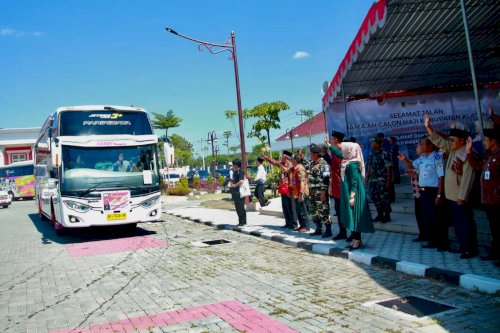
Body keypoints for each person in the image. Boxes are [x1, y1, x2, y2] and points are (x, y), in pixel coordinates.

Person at [425, 114, 477, 259]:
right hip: (452, 196)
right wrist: (428, 127)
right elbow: (439, 141)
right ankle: (463, 246)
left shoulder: (467, 153)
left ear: (461, 141)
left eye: (453, 140)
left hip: (460, 197)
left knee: (465, 223)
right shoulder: (453, 149)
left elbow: (468, 177)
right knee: (458, 224)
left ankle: (469, 248)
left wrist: (462, 196)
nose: (450, 142)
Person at [399, 138, 446, 251]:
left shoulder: (437, 157)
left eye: (423, 144)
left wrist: (439, 195)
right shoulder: (422, 158)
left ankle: (442, 243)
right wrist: (404, 159)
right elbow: (412, 165)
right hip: (423, 191)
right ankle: (432, 240)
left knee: (436, 218)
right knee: (427, 217)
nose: (421, 146)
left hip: (433, 191)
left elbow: (441, 177)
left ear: (431, 145)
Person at [329, 142, 373, 249]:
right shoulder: (347, 161)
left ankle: (357, 240)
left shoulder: (352, 165)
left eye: (344, 149)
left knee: (355, 217)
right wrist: (329, 145)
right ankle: (354, 239)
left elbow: (354, 182)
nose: (342, 151)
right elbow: (339, 154)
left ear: (349, 151)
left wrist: (352, 197)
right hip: (351, 193)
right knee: (352, 217)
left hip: (355, 194)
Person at [466, 126, 500, 267]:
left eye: (486, 140)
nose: (484, 142)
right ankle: (496, 253)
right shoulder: (489, 155)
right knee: (495, 229)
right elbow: (477, 168)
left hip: (497, 200)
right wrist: (468, 152)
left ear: (494, 140)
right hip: (489, 200)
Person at [323, 131, 351, 241]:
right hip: (336, 185)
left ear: (335, 140)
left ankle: (353, 234)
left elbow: (340, 167)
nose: (330, 140)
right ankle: (342, 232)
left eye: (331, 138)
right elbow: (333, 167)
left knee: (345, 211)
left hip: (342, 185)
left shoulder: (340, 150)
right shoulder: (334, 152)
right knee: (339, 211)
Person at [264, 151, 297, 229]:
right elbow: (274, 162)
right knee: (285, 207)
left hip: (289, 188)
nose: (280, 157)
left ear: (285, 157)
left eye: (282, 156)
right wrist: (267, 158)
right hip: (283, 188)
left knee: (290, 207)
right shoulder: (281, 163)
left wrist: (281, 165)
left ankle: (294, 224)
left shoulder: (290, 164)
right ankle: (287, 223)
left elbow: (287, 171)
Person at [366, 136, 393, 222]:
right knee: (375, 198)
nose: (371, 144)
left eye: (373, 143)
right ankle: (380, 214)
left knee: (384, 198)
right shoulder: (371, 154)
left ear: (377, 144)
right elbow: (370, 167)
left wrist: (389, 181)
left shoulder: (385, 153)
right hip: (373, 180)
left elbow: (389, 167)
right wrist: (367, 177)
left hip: (382, 180)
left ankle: (387, 216)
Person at [307, 144, 332, 237]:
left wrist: (323, 192)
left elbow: (326, 178)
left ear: (316, 154)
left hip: (320, 191)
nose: (310, 155)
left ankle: (328, 230)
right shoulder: (311, 164)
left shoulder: (324, 163)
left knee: (323, 211)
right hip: (312, 192)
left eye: (311, 154)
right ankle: (318, 229)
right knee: (314, 211)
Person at [290, 154, 310, 232]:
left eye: (292, 160)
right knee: (299, 210)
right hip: (296, 192)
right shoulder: (295, 168)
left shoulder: (300, 169)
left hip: (300, 193)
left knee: (303, 210)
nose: (291, 161)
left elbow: (302, 182)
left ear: (295, 160)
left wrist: (301, 194)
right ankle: (302, 225)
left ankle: (306, 226)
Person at [228, 159, 247, 226]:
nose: (232, 166)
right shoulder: (236, 171)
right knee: (238, 207)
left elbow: (241, 181)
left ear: (236, 165)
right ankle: (241, 221)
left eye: (233, 165)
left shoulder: (240, 171)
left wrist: (235, 185)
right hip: (235, 191)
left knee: (240, 207)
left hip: (239, 191)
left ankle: (242, 222)